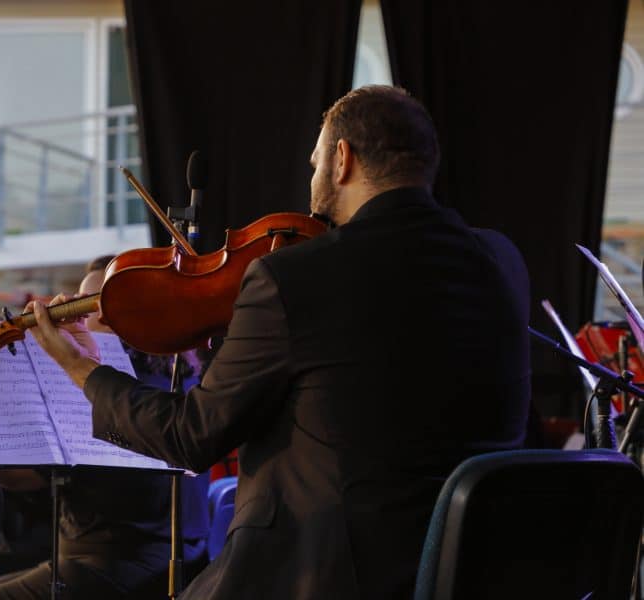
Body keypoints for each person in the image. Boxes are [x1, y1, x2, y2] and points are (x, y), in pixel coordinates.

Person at [27, 85, 531, 599]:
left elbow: (191, 436)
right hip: (464, 574)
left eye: (315, 162)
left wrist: (82, 369)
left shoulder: (297, 275)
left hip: (319, 576)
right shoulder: (501, 262)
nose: (311, 180)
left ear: (342, 159)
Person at [0, 256, 209, 600]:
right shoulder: (180, 377)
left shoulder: (110, 393)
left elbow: (20, 477)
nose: (75, 318)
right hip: (183, 561)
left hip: (112, 569)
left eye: (86, 306)